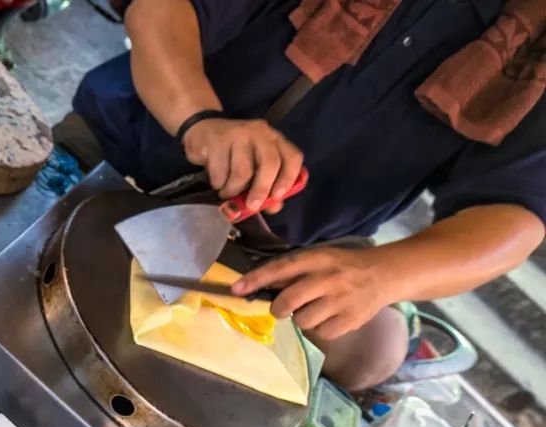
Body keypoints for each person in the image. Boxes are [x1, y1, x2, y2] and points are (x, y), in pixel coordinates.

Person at [64, 0, 545, 391]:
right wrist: (199, 118)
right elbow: (161, 8)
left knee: (374, 352)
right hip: (127, 153)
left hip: (280, 252)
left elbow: (515, 214)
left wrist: (384, 276)